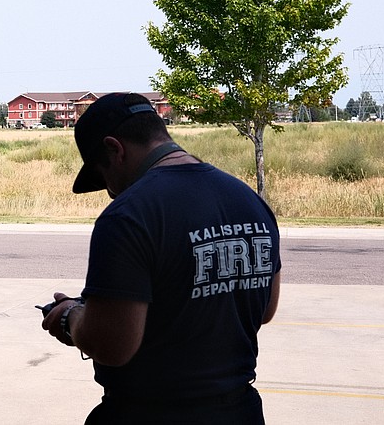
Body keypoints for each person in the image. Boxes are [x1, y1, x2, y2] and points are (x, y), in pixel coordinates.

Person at [41, 93, 281, 424]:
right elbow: (266, 309)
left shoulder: (129, 215)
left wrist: (70, 316)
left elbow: (113, 346)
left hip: (150, 413)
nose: (110, 191)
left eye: (103, 176)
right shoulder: (249, 201)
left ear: (115, 149)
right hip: (240, 411)